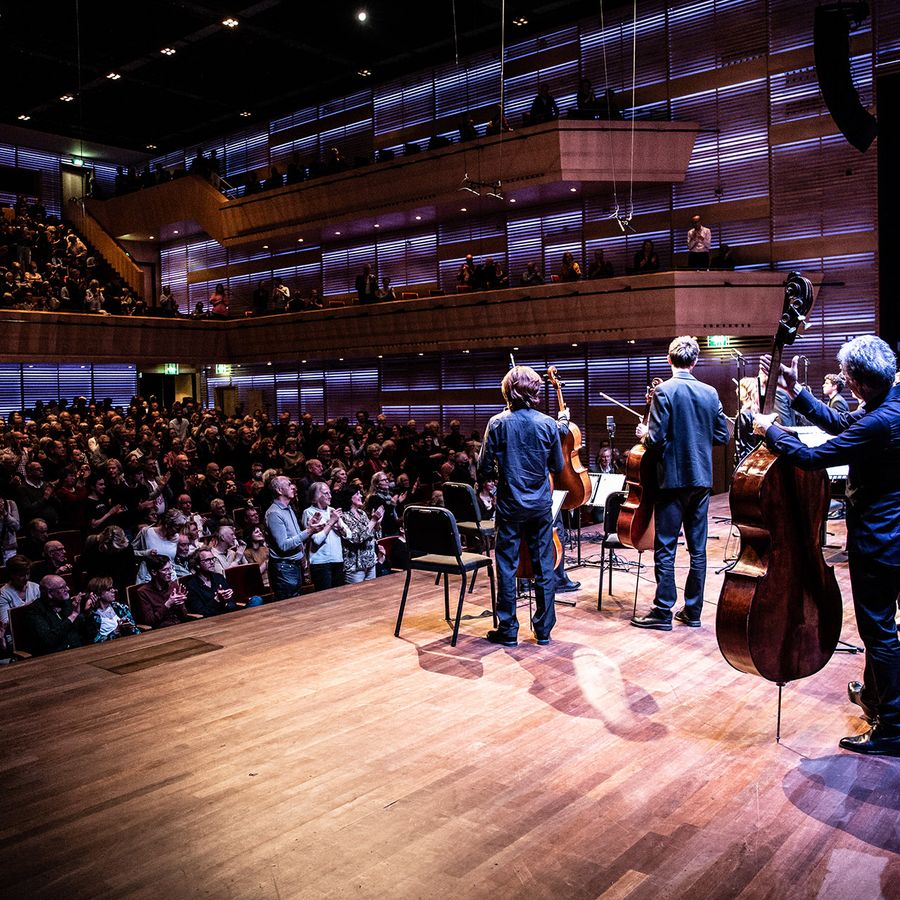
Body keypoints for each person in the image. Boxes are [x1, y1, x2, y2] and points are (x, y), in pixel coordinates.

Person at [752, 335, 900, 756]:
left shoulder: (878, 421)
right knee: (885, 628)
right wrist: (796, 392)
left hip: (882, 539)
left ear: (856, 384)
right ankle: (877, 698)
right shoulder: (890, 403)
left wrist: (771, 430)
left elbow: (816, 457)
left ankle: (892, 726)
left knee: (879, 631)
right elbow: (846, 427)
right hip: (894, 533)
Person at [631, 336, 730, 630]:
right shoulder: (710, 392)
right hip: (701, 480)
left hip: (672, 481)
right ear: (695, 361)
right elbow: (722, 436)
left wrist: (643, 434)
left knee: (665, 547)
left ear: (669, 359)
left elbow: (657, 439)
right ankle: (693, 612)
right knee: (698, 550)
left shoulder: (665, 390)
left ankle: (662, 611)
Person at [477, 365, 567, 646]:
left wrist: (501, 471)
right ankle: (543, 630)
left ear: (508, 391)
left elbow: (483, 470)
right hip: (540, 505)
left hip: (510, 504)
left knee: (506, 566)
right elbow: (558, 465)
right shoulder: (548, 424)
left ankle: (508, 629)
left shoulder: (498, 423)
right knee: (544, 565)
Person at [264, 475, 325, 601]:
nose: (293, 487)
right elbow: (284, 545)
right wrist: (309, 531)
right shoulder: (274, 513)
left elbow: (296, 538)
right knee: (289, 606)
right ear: (279, 491)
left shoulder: (289, 509)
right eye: (288, 484)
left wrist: (309, 527)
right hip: (284, 568)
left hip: (294, 565)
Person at [23, 575, 92, 655]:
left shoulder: (67, 603)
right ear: (49, 593)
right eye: (62, 587)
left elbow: (85, 633)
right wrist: (72, 616)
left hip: (77, 651)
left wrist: (88, 613)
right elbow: (49, 640)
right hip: (53, 656)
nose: (68, 589)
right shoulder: (34, 610)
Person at [302, 482, 350, 592]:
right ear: (316, 496)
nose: (330, 496)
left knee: (340, 596)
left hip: (337, 559)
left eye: (330, 492)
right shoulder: (309, 512)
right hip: (321, 562)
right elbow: (317, 540)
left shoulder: (332, 510)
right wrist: (331, 522)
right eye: (326, 493)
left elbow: (349, 534)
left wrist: (340, 527)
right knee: (326, 598)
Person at [340, 487, 383, 583]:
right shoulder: (344, 516)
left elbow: (376, 535)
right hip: (355, 564)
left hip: (370, 561)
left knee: (371, 595)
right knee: (355, 596)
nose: (361, 495)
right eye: (357, 493)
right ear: (350, 498)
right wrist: (373, 520)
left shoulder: (362, 513)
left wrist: (378, 523)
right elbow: (357, 538)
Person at [134, 554, 189, 628]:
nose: (170, 572)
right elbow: (150, 621)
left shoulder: (173, 586)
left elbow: (184, 616)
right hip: (160, 630)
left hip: (179, 626)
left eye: (170, 568)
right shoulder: (143, 592)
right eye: (165, 570)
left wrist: (181, 604)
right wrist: (168, 604)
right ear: (154, 572)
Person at [83, 576, 141, 642]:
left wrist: (130, 628)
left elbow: (136, 630)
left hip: (129, 642)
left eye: (113, 588)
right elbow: (93, 641)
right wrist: (116, 631)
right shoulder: (91, 615)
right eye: (109, 589)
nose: (114, 590)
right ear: (98, 593)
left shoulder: (120, 607)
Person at [183, 548, 238, 616]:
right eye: (207, 560)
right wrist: (217, 600)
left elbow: (232, 602)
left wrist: (228, 598)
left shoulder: (219, 577)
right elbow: (201, 612)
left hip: (228, 616)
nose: (212, 562)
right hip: (208, 622)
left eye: (213, 559)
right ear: (197, 564)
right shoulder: (191, 586)